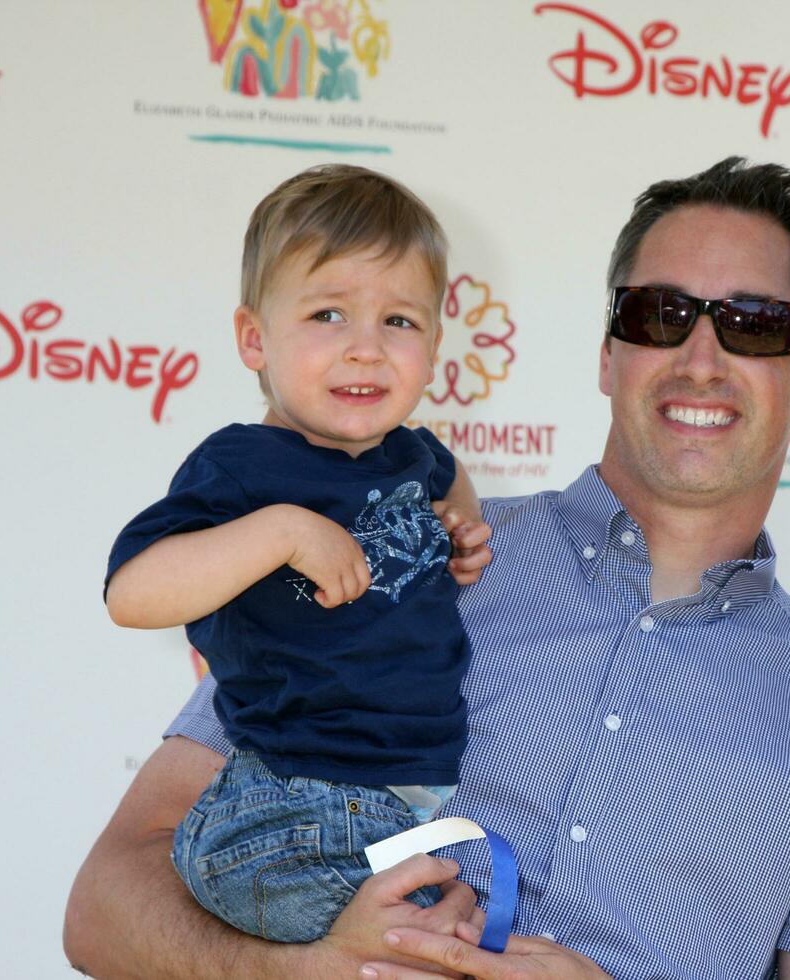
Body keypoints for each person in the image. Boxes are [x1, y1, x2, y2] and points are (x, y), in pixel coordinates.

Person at [64, 156, 790, 979]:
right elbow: (105, 906)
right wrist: (312, 970)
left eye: (754, 322)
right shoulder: (396, 544)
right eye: (661, 313)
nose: (702, 357)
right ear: (608, 352)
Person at [101, 163, 501, 945]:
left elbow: (456, 485)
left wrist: (460, 533)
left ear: (435, 343)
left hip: (404, 798)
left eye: (400, 322)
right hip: (294, 797)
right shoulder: (244, 468)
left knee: (443, 933)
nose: (365, 350)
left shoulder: (417, 458)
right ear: (255, 338)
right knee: (421, 945)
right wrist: (280, 531)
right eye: (327, 314)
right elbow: (133, 593)